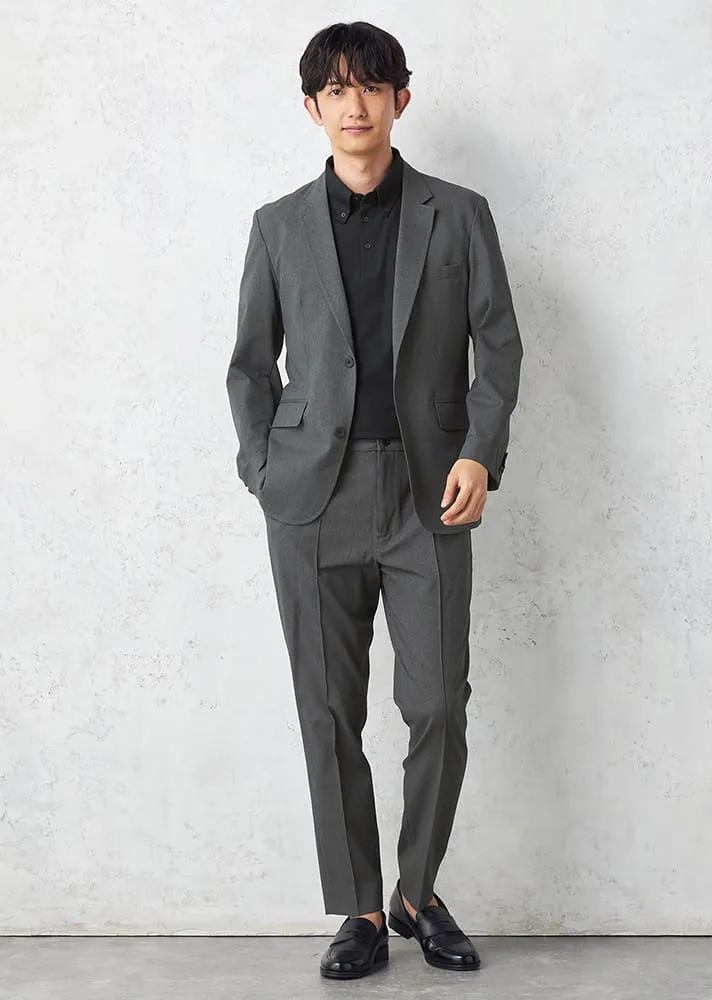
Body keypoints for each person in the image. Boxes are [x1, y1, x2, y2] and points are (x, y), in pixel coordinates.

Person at [226, 20, 523, 980]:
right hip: (312, 499)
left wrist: (480, 453)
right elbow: (249, 367)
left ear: (402, 97)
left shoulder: (458, 214)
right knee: (328, 710)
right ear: (311, 108)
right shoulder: (277, 226)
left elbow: (499, 346)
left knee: (438, 704)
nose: (354, 104)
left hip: (430, 492)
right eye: (336, 90)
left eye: (371, 85)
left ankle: (416, 892)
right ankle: (358, 905)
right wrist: (265, 472)